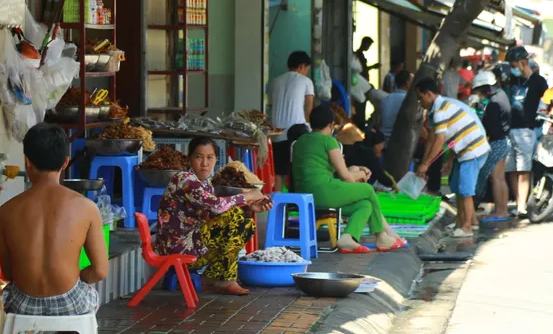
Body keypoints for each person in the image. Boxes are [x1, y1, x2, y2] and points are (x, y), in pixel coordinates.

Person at [0, 124, 108, 334]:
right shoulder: (86, 208)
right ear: (66, 162)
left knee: (10, 291)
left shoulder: (7, 210)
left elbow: (8, 273)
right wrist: (76, 277)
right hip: (70, 304)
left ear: (27, 162)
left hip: (22, 305)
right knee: (86, 293)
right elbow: (100, 271)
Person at [155, 138, 271, 296]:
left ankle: (216, 277)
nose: (204, 163)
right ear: (189, 158)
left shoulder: (206, 184)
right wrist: (247, 194)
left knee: (244, 221)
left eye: (210, 157)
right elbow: (216, 205)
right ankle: (223, 279)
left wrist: (250, 208)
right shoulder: (184, 179)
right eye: (198, 157)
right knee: (236, 217)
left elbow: (215, 212)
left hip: (192, 245)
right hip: (177, 248)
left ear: (216, 159)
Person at [292, 106, 405, 253]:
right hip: (323, 192)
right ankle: (382, 235)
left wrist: (356, 171)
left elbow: (334, 172)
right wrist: (361, 176)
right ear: (331, 125)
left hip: (303, 195)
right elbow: (345, 176)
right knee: (367, 190)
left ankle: (348, 237)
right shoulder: (329, 141)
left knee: (364, 205)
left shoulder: (300, 141)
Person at [415, 78, 490, 237]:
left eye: (420, 97)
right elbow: (432, 139)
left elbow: (439, 140)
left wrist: (426, 164)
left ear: (428, 94)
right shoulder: (438, 108)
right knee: (456, 185)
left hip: (472, 149)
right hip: (463, 150)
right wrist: (430, 162)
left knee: (465, 190)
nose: (420, 102)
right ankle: (461, 222)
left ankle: (467, 227)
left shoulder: (441, 109)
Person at [504, 46, 548, 216]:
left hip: (526, 130)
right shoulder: (511, 81)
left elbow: (548, 99)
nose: (513, 68)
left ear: (523, 62)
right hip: (509, 130)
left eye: (514, 65)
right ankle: (517, 202)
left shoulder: (538, 81)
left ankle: (521, 205)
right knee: (511, 169)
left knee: (523, 169)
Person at [269, 51, 315, 191]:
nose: (306, 72)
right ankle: (295, 202)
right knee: (297, 171)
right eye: (306, 68)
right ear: (302, 66)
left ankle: (275, 205)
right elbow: (309, 113)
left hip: (276, 133)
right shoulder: (306, 81)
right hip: (296, 133)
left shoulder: (275, 82)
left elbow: (271, 106)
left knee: (278, 171)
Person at [472, 70, 512, 222]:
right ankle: (503, 210)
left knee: (496, 178)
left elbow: (492, 129)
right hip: (503, 141)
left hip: (497, 142)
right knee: (500, 178)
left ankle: (500, 212)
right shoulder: (501, 95)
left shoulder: (494, 103)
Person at [378, 70, 412, 139]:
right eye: (413, 81)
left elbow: (379, 123)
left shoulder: (385, 99)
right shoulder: (408, 101)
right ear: (407, 83)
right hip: (399, 142)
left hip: (382, 141)